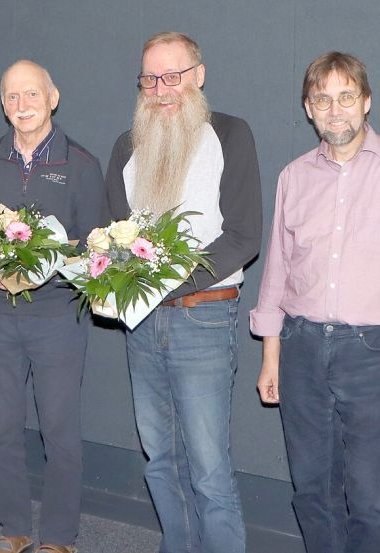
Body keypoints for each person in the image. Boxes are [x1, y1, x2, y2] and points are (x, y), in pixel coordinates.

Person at [250, 52, 380, 553]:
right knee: (311, 493)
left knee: (371, 499)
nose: (335, 109)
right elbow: (277, 270)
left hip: (373, 354)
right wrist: (271, 356)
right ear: (308, 108)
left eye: (346, 97)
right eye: (322, 99)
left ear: (366, 102)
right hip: (300, 350)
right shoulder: (293, 177)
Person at [104, 32, 261, 553]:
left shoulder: (231, 135)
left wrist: (162, 283)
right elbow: (112, 236)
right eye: (150, 78)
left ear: (198, 75)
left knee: (210, 469)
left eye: (172, 76)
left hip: (204, 319)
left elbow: (243, 235)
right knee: (161, 461)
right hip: (141, 325)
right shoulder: (127, 145)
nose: (161, 89)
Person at [0, 60, 105, 553]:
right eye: (12, 97)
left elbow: (96, 246)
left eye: (32, 95)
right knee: (2, 425)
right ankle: (13, 527)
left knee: (59, 431)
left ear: (53, 97)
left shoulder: (80, 164)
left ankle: (59, 537)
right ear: (3, 104)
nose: (23, 105)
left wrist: (50, 265)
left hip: (57, 316)